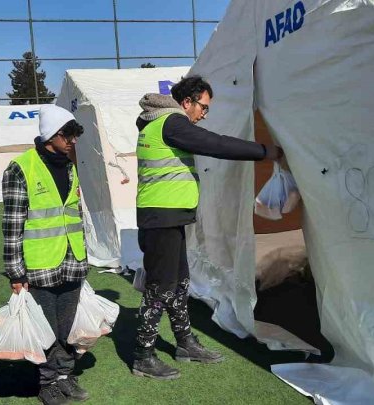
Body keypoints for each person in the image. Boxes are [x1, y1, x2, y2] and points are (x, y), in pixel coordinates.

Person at [131, 76, 284, 380]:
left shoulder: (159, 124)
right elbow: (216, 144)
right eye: (203, 106)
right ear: (186, 102)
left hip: (168, 217)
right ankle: (143, 355)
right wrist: (265, 152)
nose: (204, 113)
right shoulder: (171, 122)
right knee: (161, 286)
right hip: (161, 219)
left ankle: (185, 343)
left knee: (180, 283)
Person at [2, 104, 91, 405]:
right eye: (68, 134)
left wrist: (83, 257)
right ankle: (47, 382)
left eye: (75, 134)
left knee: (68, 328)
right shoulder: (20, 167)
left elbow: (76, 214)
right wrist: (16, 272)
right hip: (40, 266)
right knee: (46, 330)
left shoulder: (69, 165)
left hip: (72, 262)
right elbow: (12, 224)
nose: (73, 140)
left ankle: (65, 375)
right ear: (51, 134)